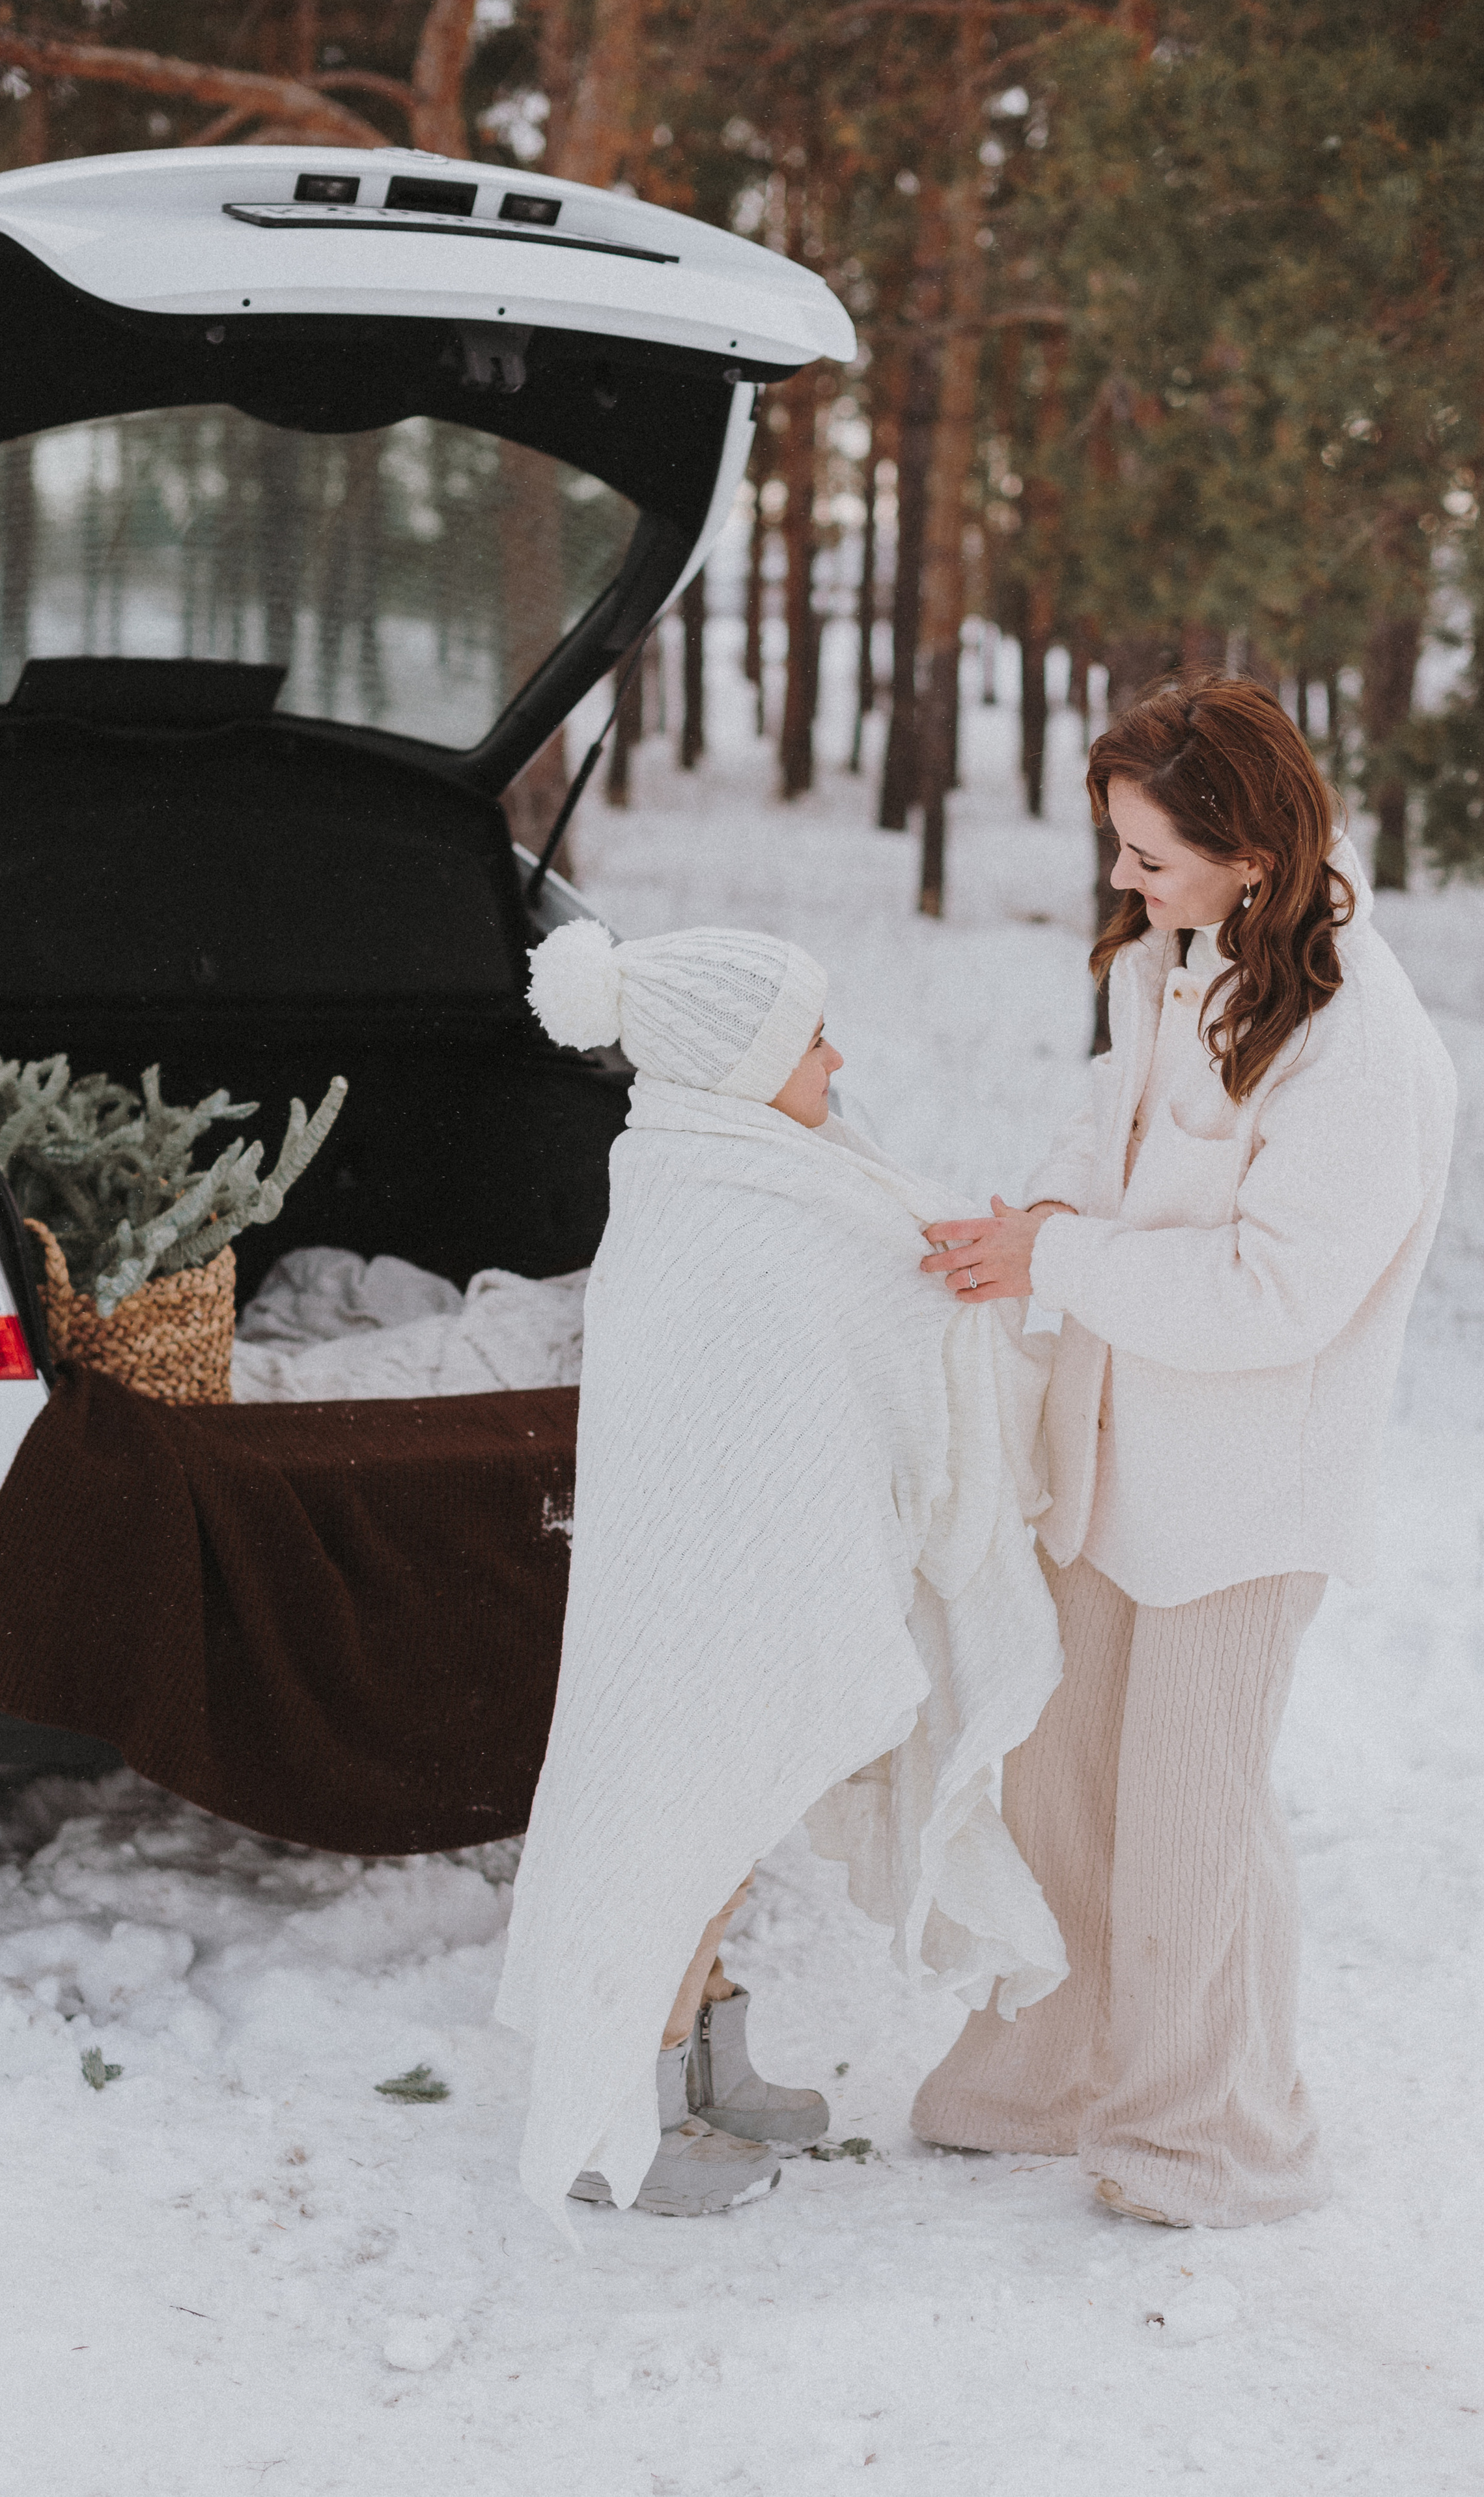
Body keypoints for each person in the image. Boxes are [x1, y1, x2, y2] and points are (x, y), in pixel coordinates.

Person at [916, 674, 1457, 2229]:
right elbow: (1112, 1134)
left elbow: (1275, 1297)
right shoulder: (1173, 962)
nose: (1121, 882)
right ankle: (1054, 2075)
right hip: (1113, 1452)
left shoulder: (1359, 1044)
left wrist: (1058, 1263)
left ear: (1254, 855)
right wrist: (1017, 1227)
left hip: (1243, 1491)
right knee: (1062, 1783)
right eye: (1118, 849)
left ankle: (1207, 2137)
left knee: (1188, 1818)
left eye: (1149, 857)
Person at [495, 921, 1069, 2228]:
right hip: (691, 1583)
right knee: (682, 1828)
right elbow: (834, 1311)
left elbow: (863, 1293)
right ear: (739, 1061)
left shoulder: (747, 1164)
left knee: (729, 1837)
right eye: (811, 1038)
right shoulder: (712, 1190)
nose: (838, 1056)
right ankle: (633, 2115)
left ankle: (707, 2061)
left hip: (722, 1572)